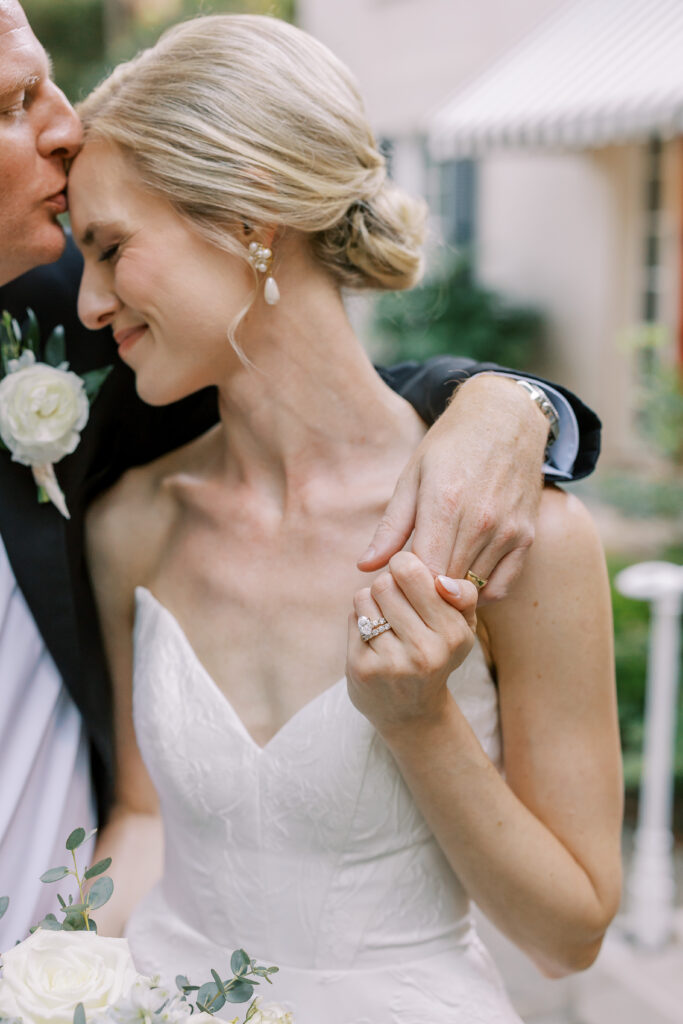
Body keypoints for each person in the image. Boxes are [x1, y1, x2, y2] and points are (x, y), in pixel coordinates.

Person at [0, 0, 604, 950]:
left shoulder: (511, 528)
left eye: (110, 249)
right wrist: (49, 979)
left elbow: (571, 940)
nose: (88, 298)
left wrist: (513, 403)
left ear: (252, 216)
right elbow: (148, 826)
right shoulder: (135, 524)